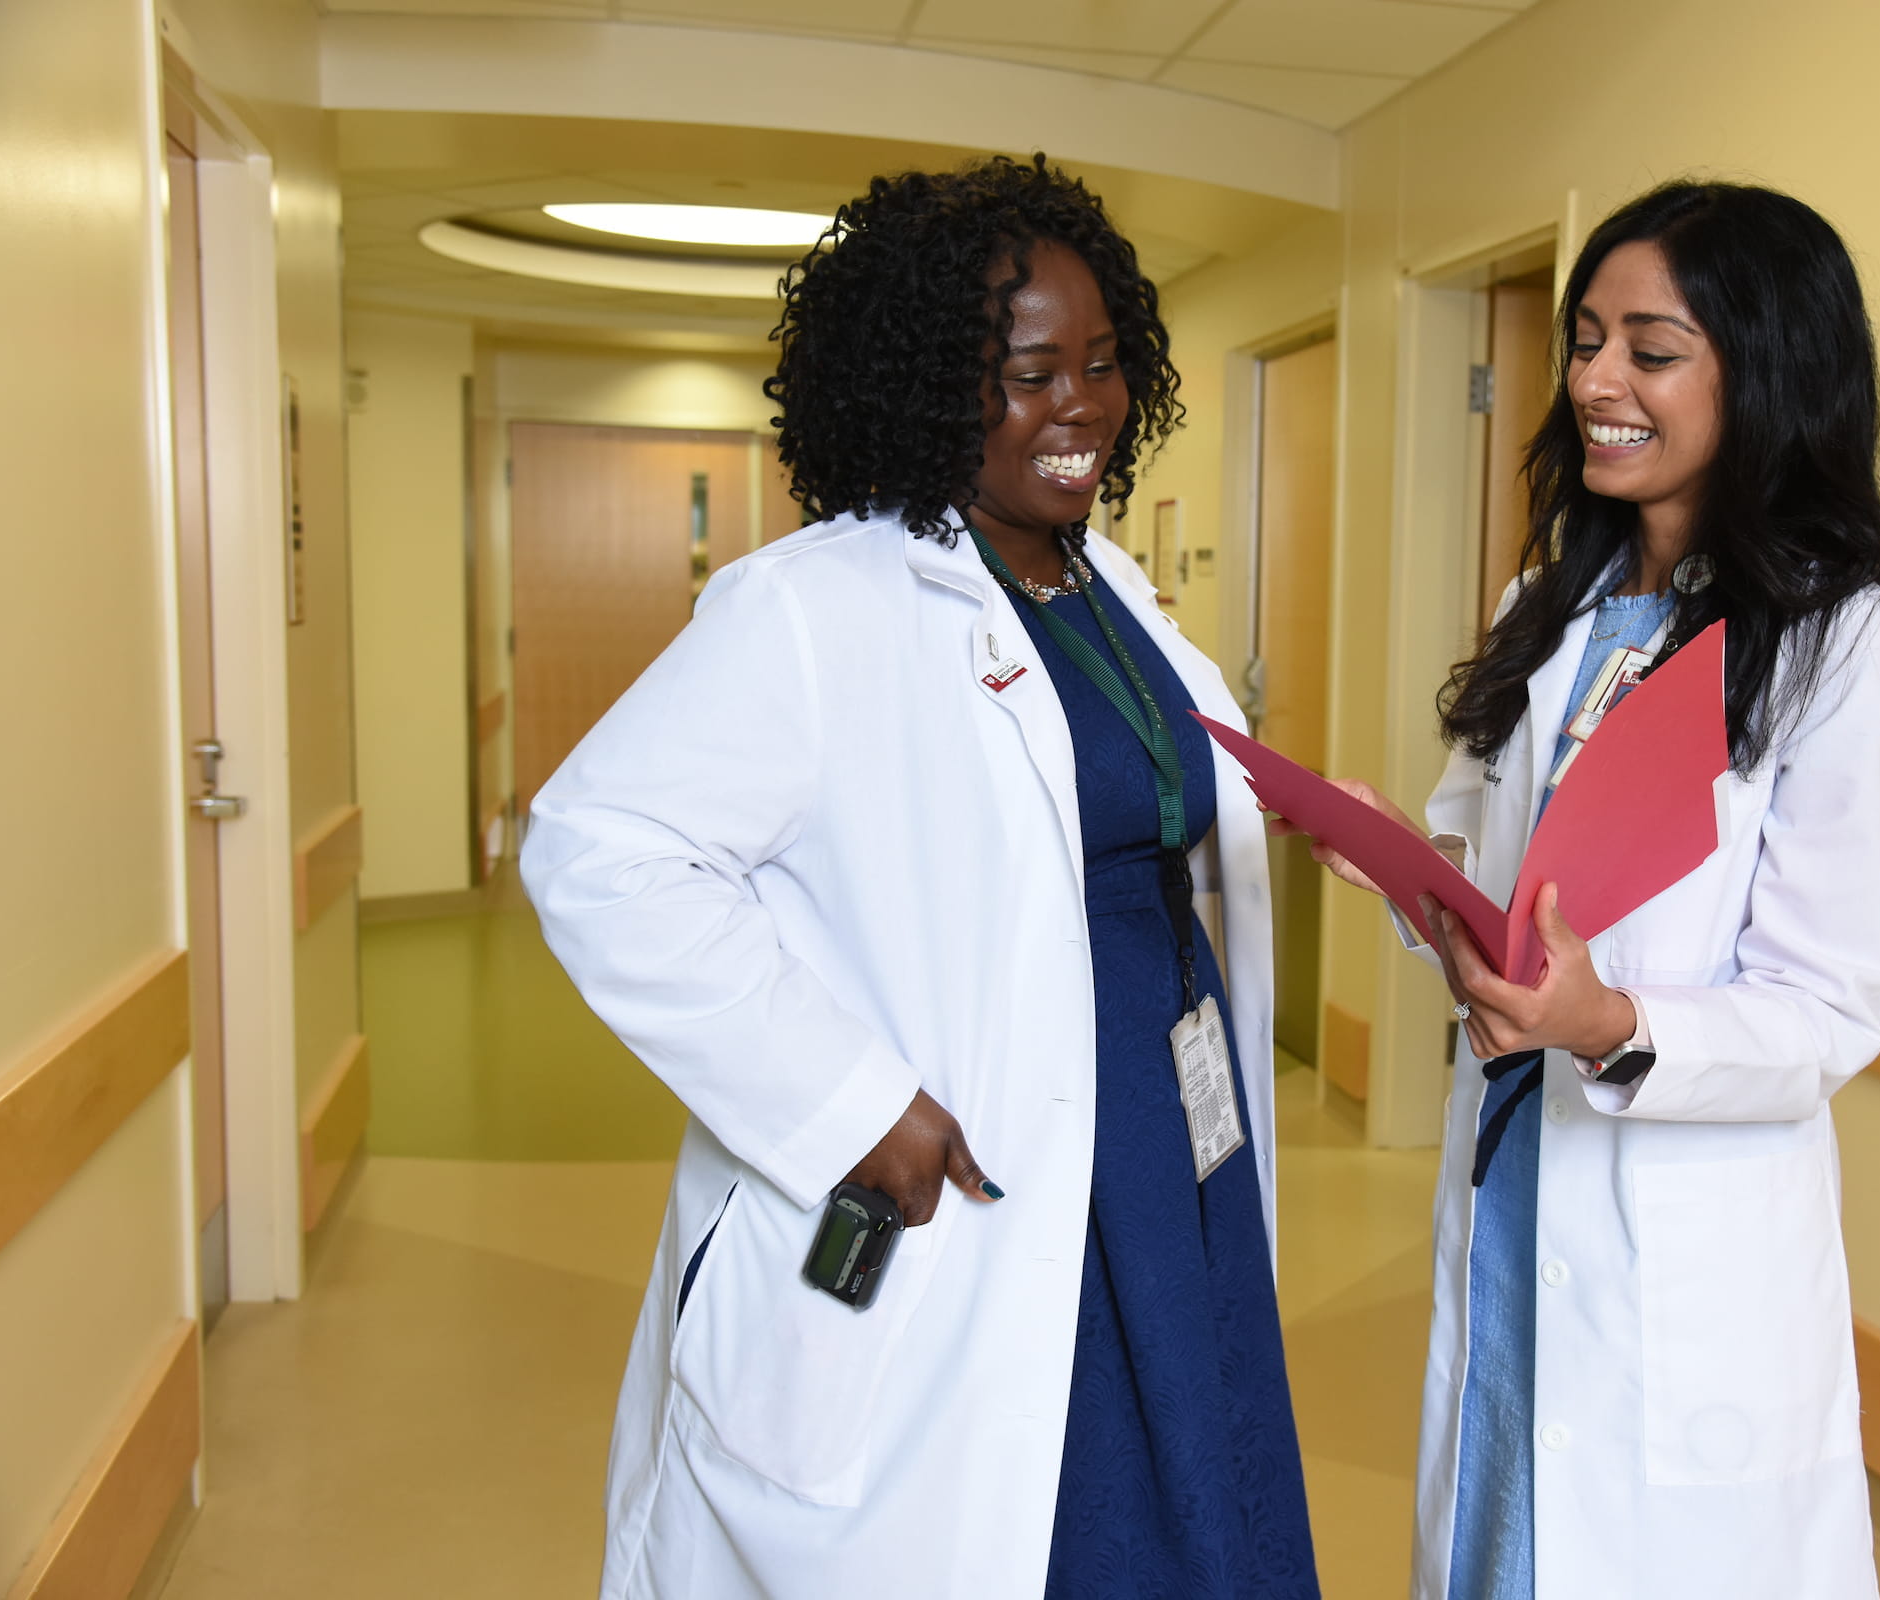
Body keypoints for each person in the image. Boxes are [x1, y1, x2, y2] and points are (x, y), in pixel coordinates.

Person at [523, 154, 1319, 1600]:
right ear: (927, 387)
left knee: (1195, 1508)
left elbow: (1149, 803)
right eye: (1025, 373)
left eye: (1100, 364)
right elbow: (599, 851)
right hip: (984, 1164)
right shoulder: (817, 608)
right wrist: (842, 1100)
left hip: (1160, 1151)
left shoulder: (1104, 585)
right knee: (1038, 1522)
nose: (1075, 405)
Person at [1297, 182, 1880, 1598]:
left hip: (1678, 1240)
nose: (1594, 379)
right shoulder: (1563, 605)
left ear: (1767, 375)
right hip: (1521, 1197)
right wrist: (1409, 873)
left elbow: (1824, 1012)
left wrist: (1608, 1020)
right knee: (1502, 1539)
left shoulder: (1849, 645)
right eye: (1587, 338)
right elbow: (1515, 919)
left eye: (1649, 351)